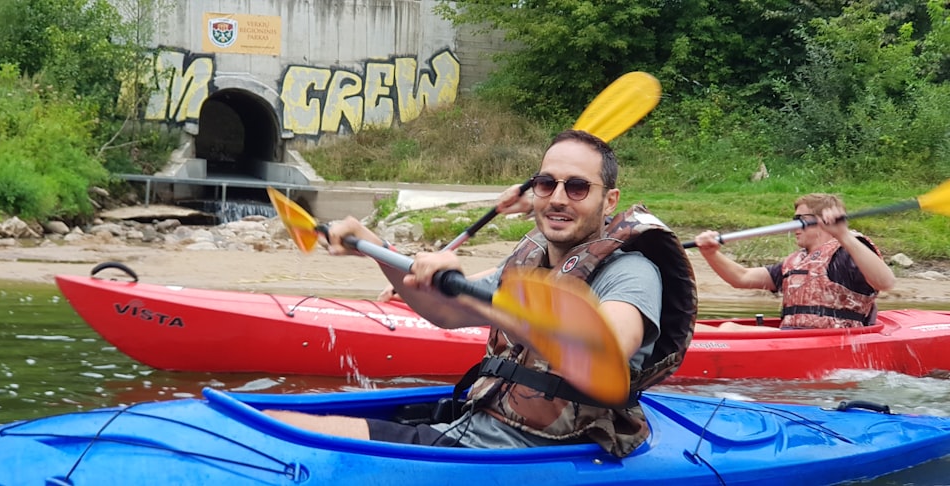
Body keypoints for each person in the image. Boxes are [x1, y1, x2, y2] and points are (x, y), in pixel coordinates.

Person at [265, 129, 697, 457]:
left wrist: (475, 296)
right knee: (277, 419)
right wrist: (378, 249)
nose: (559, 198)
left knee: (282, 430)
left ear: (610, 200)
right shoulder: (530, 257)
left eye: (578, 187)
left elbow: (603, 351)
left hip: (530, 450)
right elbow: (444, 312)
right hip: (480, 423)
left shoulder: (632, 272)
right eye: (546, 184)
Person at [693, 193, 896, 331]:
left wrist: (843, 234)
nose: (793, 226)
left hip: (834, 342)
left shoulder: (847, 252)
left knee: (730, 329)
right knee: (689, 328)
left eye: (800, 219)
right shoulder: (797, 262)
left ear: (823, 220)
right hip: (793, 339)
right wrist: (710, 253)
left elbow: (885, 282)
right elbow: (741, 277)